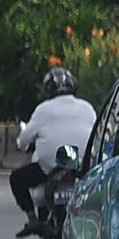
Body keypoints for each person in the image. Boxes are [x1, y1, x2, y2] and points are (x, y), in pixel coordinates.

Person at [10, 66, 100, 218]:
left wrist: (21, 144)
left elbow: (24, 139)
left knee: (16, 179)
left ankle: (32, 218)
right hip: (80, 165)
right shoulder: (87, 107)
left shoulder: (42, 110)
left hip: (50, 167)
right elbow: (98, 133)